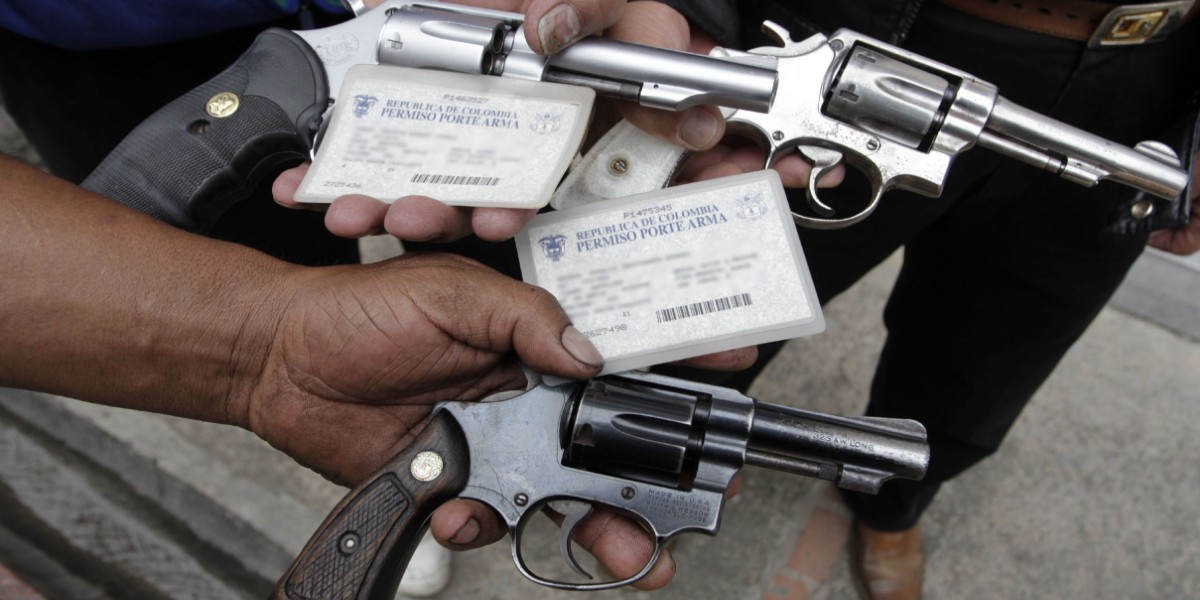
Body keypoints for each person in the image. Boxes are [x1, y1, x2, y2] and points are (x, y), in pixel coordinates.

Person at [0, 1, 747, 596]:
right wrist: (259, 341)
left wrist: (270, 341)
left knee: (407, 279)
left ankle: (391, 477)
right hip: (97, 34)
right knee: (218, 245)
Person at [588, 2, 1196, 600]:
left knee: (989, 363)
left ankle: (891, 508)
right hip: (897, 22)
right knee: (692, 324)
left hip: (1151, 73)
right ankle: (637, 462)